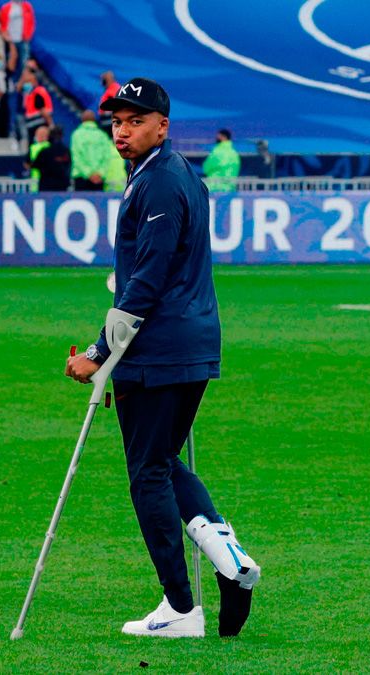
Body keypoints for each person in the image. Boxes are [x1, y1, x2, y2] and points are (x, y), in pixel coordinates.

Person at [65, 78, 261, 639]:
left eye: (134, 121)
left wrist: (99, 354)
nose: (122, 131)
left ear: (162, 125)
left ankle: (181, 607)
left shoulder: (159, 182)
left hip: (158, 347)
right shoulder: (167, 176)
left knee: (147, 470)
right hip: (189, 341)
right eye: (116, 122)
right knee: (164, 460)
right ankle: (229, 558)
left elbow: (148, 281)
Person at [70, 109, 110, 191]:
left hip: (81, 177)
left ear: (82, 120)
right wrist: (100, 173)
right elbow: (107, 156)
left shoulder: (76, 135)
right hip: (99, 178)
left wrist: (88, 174)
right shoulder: (102, 135)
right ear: (94, 120)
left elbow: (76, 157)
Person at [30, 124, 69, 192]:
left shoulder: (44, 151)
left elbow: (34, 165)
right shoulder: (66, 151)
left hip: (46, 186)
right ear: (62, 136)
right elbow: (68, 165)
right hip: (62, 186)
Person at [201, 128, 239, 193]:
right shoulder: (234, 153)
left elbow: (206, 167)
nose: (216, 138)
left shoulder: (217, 151)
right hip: (230, 188)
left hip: (214, 187)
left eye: (218, 136)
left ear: (223, 137)